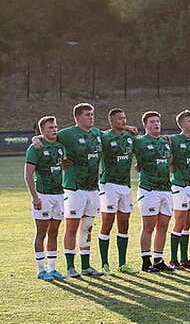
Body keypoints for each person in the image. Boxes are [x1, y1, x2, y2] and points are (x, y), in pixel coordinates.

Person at [58, 103, 105, 277]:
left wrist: (128, 127)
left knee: (87, 227)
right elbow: (45, 138)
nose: (91, 117)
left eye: (92, 114)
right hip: (74, 188)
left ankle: (86, 266)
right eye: (87, 114)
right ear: (77, 118)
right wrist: (35, 139)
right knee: (71, 227)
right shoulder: (67, 134)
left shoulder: (97, 134)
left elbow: (114, 134)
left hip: (93, 188)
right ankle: (70, 267)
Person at [25, 116, 66, 280]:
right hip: (43, 195)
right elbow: (28, 175)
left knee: (54, 233)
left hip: (59, 195)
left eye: (56, 126)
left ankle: (53, 268)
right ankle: (41, 270)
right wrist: (35, 197)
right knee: (41, 233)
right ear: (42, 130)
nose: (55, 129)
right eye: (51, 127)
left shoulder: (60, 146)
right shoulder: (35, 148)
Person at [97, 108, 138, 274]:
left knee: (124, 225)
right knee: (107, 223)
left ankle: (122, 263)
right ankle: (104, 263)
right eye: (120, 119)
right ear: (112, 121)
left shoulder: (130, 137)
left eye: (124, 118)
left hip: (126, 185)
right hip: (109, 185)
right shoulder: (105, 137)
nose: (124, 120)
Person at [133, 111, 174, 272]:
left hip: (166, 189)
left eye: (157, 121)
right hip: (149, 190)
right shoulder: (140, 141)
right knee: (148, 227)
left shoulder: (165, 141)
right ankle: (145, 261)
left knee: (163, 226)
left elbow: (169, 160)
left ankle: (158, 259)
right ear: (145, 125)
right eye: (151, 122)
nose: (156, 124)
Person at [169, 110, 190, 268]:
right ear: (182, 124)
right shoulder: (174, 140)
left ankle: (185, 259)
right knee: (179, 222)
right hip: (180, 186)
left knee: (187, 224)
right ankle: (173, 259)